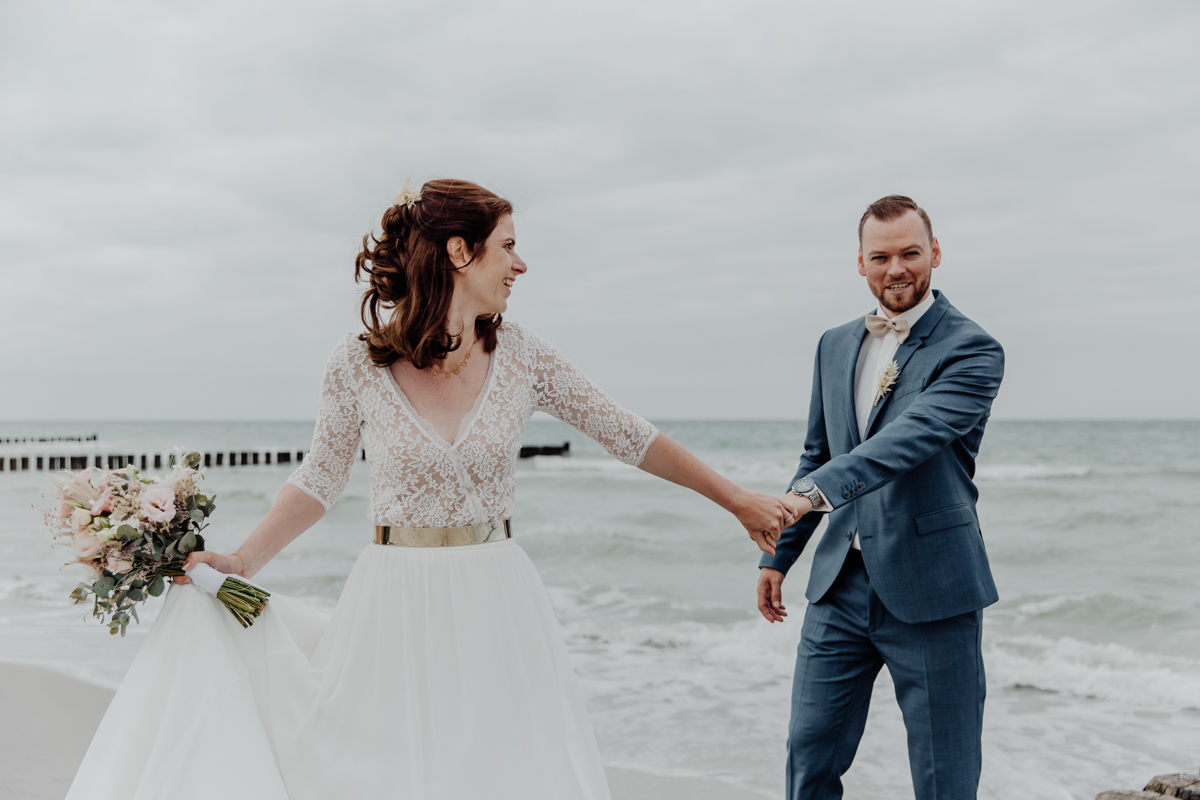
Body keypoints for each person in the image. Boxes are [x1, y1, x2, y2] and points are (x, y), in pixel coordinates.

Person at [66, 178, 791, 800]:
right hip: (393, 598)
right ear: (458, 251)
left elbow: (628, 434)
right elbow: (319, 480)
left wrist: (738, 500)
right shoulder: (356, 366)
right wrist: (244, 563)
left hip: (497, 597)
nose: (521, 264)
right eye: (508, 245)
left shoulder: (525, 357)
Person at [759, 195, 1004, 800]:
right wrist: (778, 555)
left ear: (935, 254)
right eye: (882, 256)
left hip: (934, 589)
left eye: (910, 253)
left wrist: (809, 496)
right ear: (861, 264)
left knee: (944, 779)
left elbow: (907, 442)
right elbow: (817, 452)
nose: (896, 269)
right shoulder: (834, 344)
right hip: (838, 588)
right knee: (808, 759)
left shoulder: (974, 350)